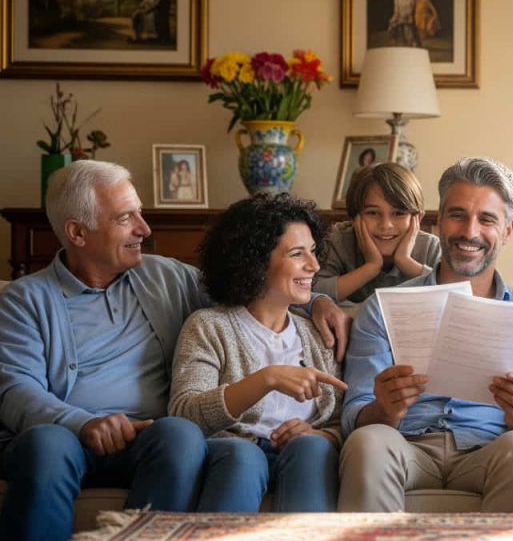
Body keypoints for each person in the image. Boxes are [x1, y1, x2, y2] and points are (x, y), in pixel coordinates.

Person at [0, 160, 350, 540]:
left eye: (140, 213)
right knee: (46, 443)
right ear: (77, 232)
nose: (144, 229)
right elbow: (15, 391)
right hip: (66, 435)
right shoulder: (25, 299)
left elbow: (250, 283)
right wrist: (81, 423)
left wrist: (316, 301)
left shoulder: (164, 275)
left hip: (151, 434)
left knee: (180, 435)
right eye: (125, 218)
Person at [339, 157, 513, 513]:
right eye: (457, 215)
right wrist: (385, 408)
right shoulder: (382, 306)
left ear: (508, 230)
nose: (469, 231)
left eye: (486, 219)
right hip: (404, 444)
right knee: (368, 442)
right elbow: (356, 416)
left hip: (491, 449)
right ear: (437, 222)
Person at [170, 193, 347, 512]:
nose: (314, 265)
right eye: (297, 254)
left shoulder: (316, 333)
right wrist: (266, 379)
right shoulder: (210, 326)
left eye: (313, 251)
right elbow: (185, 414)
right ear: (255, 262)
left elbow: (337, 421)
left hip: (300, 457)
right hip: (235, 455)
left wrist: (319, 435)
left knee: (312, 449)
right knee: (243, 456)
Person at [315, 163, 441, 304]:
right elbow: (311, 291)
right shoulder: (338, 242)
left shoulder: (431, 247)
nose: (386, 225)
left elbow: (452, 295)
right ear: (354, 218)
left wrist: (406, 262)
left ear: (418, 218)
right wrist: (371, 267)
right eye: (373, 213)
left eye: (398, 213)